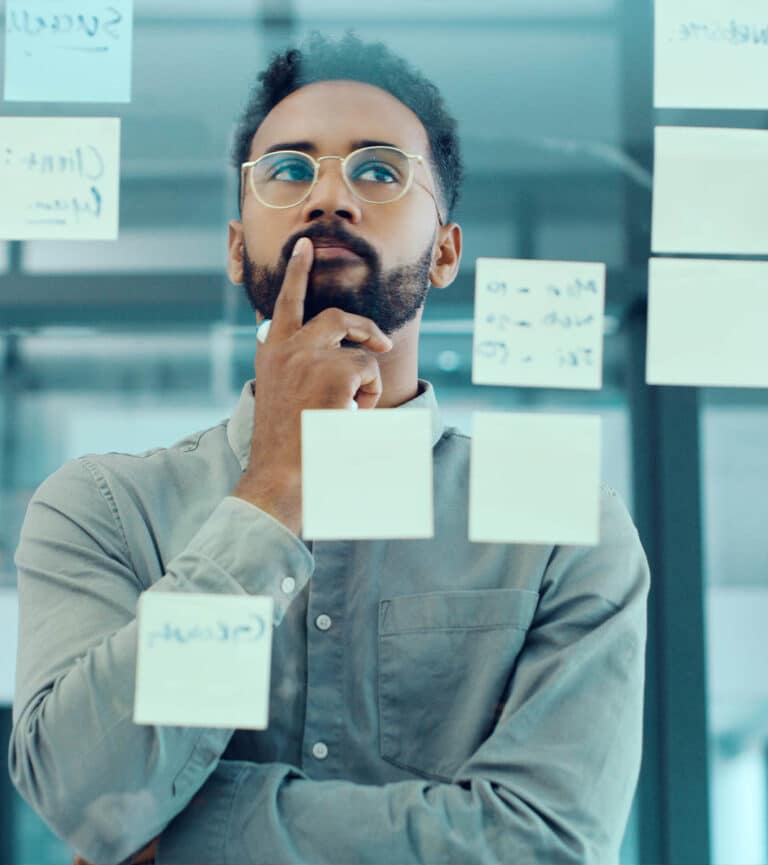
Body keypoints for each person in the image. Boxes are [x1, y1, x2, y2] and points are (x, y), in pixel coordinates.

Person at [9, 31, 649, 865]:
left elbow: (546, 845)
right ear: (237, 245)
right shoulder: (100, 509)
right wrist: (273, 487)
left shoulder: (563, 530)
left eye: (380, 171)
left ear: (446, 252)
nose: (330, 199)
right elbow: (87, 796)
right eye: (289, 170)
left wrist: (185, 833)